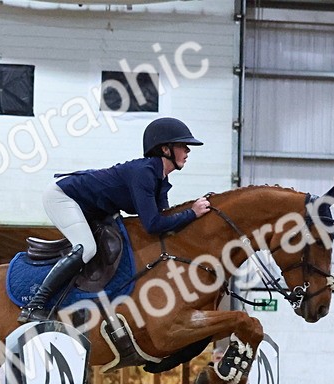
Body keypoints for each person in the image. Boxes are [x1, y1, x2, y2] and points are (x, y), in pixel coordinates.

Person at [17, 117, 212, 323]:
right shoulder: (144, 173)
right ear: (165, 149)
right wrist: (192, 213)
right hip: (63, 196)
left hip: (94, 208)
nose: (188, 151)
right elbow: (153, 225)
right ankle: (34, 305)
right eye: (183, 146)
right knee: (87, 249)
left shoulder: (160, 180)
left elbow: (164, 222)